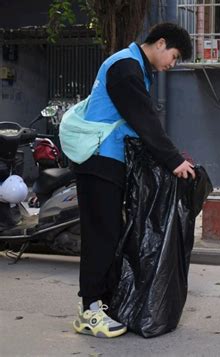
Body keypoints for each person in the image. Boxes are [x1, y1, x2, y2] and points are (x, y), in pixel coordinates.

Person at [71, 23, 195, 338]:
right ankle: (90, 311)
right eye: (175, 56)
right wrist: (173, 161)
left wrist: (171, 158)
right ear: (161, 43)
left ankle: (105, 304)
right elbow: (145, 121)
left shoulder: (135, 68)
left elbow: (142, 123)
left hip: (109, 161)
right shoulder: (125, 69)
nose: (172, 64)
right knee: (102, 235)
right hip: (99, 160)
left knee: (111, 234)